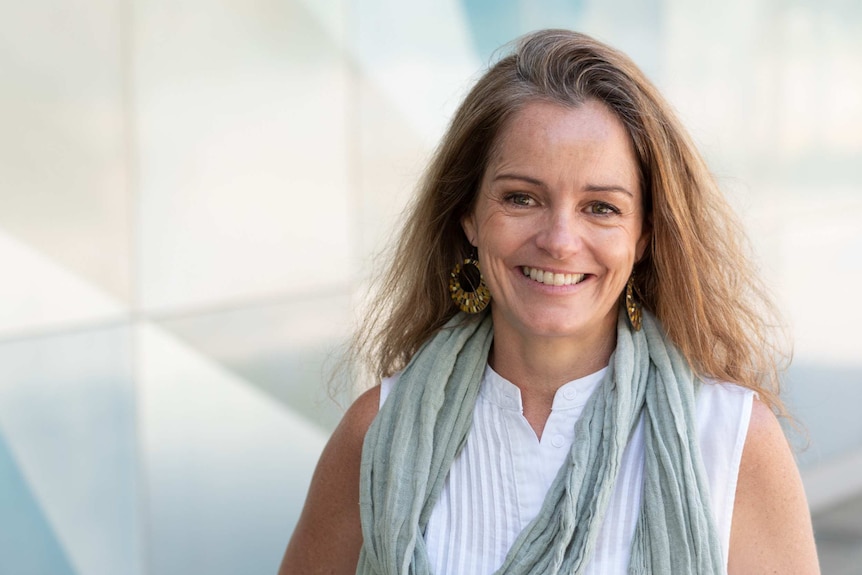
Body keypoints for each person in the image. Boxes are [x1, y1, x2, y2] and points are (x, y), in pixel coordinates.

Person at [278, 29, 819, 574]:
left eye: (601, 207)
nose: (560, 240)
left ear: (646, 235)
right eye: (521, 198)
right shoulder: (377, 434)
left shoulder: (730, 439)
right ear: (468, 215)